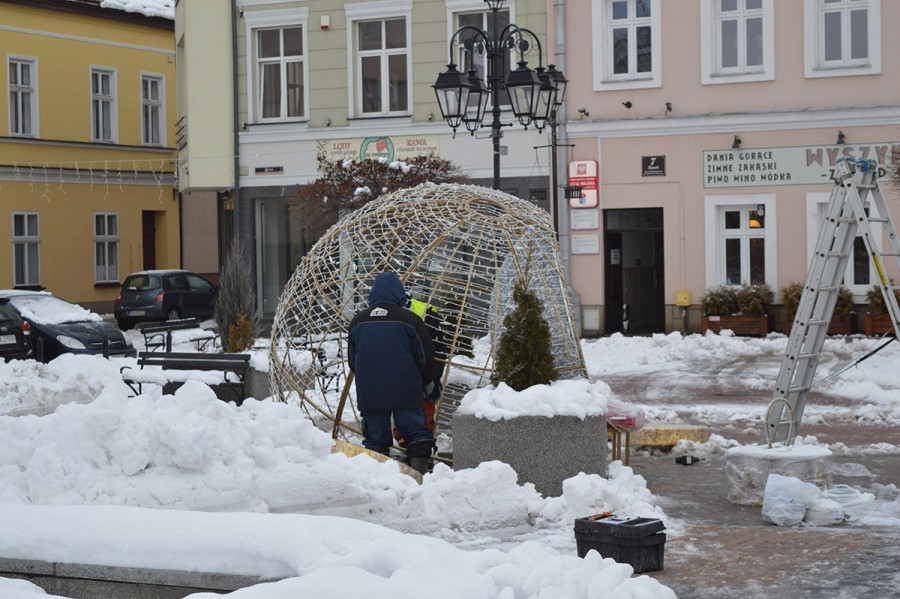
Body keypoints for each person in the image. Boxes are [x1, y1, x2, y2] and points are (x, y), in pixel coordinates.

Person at [347, 272, 436, 474]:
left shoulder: (358, 321)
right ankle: (418, 475)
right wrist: (426, 381)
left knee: (375, 437)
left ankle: (377, 477)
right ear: (400, 293)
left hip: (370, 390)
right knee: (416, 433)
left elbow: (353, 360)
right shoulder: (410, 320)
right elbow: (425, 356)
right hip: (404, 388)